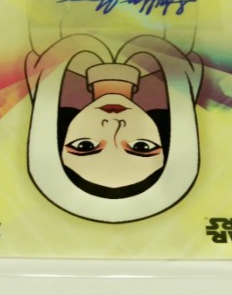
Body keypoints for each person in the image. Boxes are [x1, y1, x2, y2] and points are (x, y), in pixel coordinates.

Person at [25, 31, 203, 223]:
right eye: (140, 146)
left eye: (85, 145)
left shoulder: (49, 66)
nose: (113, 124)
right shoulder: (177, 69)